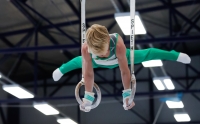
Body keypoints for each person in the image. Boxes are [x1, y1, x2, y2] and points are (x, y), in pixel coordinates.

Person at [52, 24, 191, 112]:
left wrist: (127, 95)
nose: (104, 55)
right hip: (95, 63)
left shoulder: (117, 45)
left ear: (107, 40)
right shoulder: (86, 49)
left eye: (105, 51)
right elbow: (88, 75)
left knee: (150, 53)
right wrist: (88, 98)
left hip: (120, 58)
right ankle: (62, 69)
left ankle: (175, 55)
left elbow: (124, 71)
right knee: (78, 62)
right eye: (99, 53)